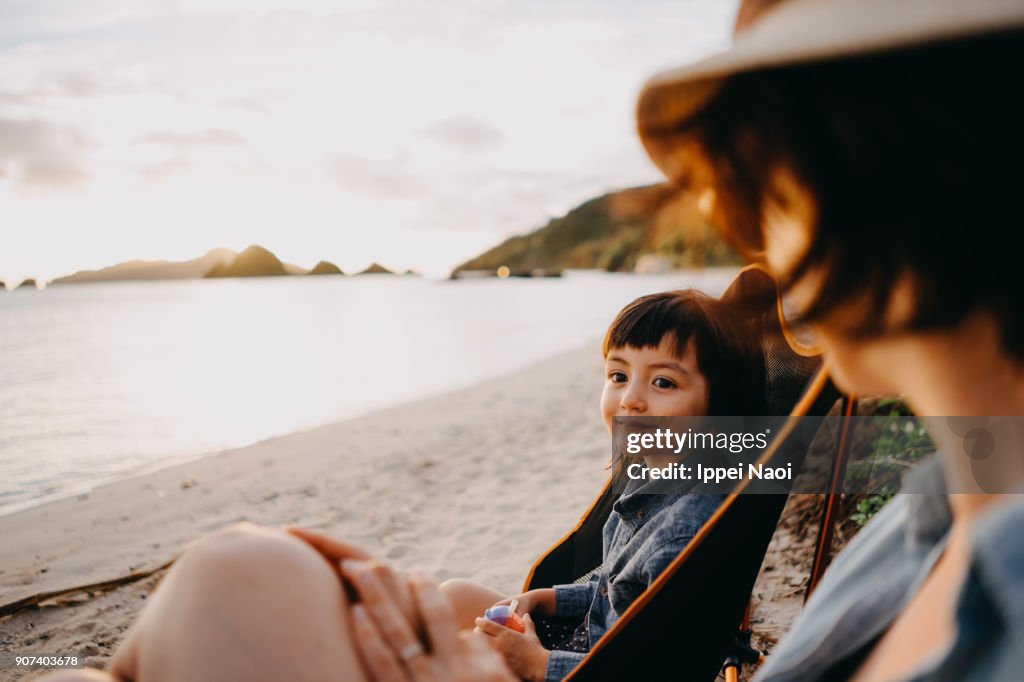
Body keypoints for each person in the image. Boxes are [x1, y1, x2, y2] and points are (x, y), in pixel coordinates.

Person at [439, 289, 766, 681]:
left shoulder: (684, 532)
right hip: (593, 640)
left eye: (663, 382)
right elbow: (613, 589)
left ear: (720, 407)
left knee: (458, 660)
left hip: (592, 668)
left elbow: (658, 669)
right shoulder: (650, 478)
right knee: (454, 597)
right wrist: (542, 599)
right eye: (618, 376)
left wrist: (536, 664)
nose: (631, 399)